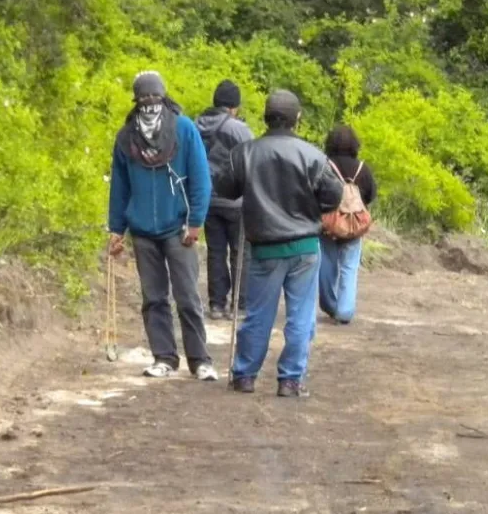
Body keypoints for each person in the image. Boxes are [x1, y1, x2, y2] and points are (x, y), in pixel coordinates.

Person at [216, 90, 343, 397]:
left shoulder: (245, 153)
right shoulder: (313, 155)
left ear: (266, 117)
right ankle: (290, 380)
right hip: (304, 246)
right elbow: (334, 195)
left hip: (264, 247)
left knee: (259, 314)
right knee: (300, 317)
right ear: (297, 119)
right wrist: (312, 208)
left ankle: (245, 375)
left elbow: (225, 188)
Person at [107, 71, 219, 381]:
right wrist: (116, 229)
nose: (150, 104)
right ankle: (164, 358)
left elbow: (201, 178)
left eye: (154, 97)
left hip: (179, 228)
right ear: (136, 101)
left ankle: (200, 360)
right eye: (144, 99)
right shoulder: (126, 137)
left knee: (187, 296)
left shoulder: (184, 129)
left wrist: (195, 221)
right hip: (142, 230)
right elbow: (119, 187)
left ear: (164, 98)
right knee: (153, 298)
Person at [194, 80, 255, 321]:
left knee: (215, 252)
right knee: (241, 253)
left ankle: (216, 304)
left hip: (207, 200)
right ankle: (239, 305)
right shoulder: (239, 129)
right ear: (233, 107)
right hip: (236, 201)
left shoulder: (196, 125)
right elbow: (253, 161)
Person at [318, 125, 377, 325]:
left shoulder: (324, 166)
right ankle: (345, 311)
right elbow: (370, 195)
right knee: (349, 268)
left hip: (328, 225)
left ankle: (329, 305)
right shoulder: (362, 168)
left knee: (326, 266)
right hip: (354, 226)